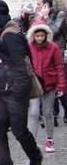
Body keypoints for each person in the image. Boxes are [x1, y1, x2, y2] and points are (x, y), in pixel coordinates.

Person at [0, 0, 44, 165]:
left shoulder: (11, 34)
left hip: (13, 94)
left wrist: (18, 92)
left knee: (19, 130)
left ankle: (35, 156)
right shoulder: (0, 32)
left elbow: (23, 66)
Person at [26, 21, 65, 152]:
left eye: (42, 36)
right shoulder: (28, 47)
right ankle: (32, 142)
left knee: (48, 113)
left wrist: (61, 86)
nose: (40, 38)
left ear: (46, 35)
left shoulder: (53, 48)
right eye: (38, 36)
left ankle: (49, 139)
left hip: (50, 84)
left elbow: (60, 67)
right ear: (33, 36)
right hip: (34, 84)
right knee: (33, 113)